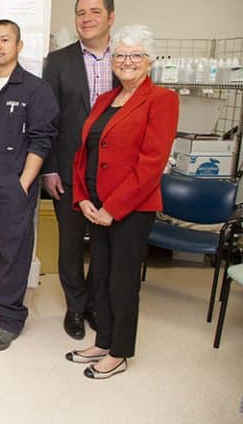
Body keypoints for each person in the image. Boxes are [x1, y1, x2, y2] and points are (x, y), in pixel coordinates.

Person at [66, 24, 178, 379]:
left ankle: (120, 351)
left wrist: (113, 208)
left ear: (150, 61)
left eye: (136, 55)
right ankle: (103, 341)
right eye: (121, 55)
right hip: (96, 205)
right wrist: (83, 197)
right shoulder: (104, 100)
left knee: (122, 281)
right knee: (99, 278)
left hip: (130, 208)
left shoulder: (162, 100)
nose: (127, 62)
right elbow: (84, 154)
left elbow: (151, 163)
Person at [0, 19, 58, 351]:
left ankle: (11, 319)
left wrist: (24, 182)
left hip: (14, 184)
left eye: (5, 39)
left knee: (14, 251)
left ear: (19, 46)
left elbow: (41, 140)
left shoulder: (35, 90)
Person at [42, 0, 119, 340]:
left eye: (94, 11)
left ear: (110, 17)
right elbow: (48, 120)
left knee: (105, 244)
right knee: (71, 243)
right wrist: (50, 168)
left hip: (113, 173)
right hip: (69, 171)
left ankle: (94, 305)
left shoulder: (126, 59)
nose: (86, 18)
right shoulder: (58, 61)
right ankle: (75, 307)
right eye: (80, 12)